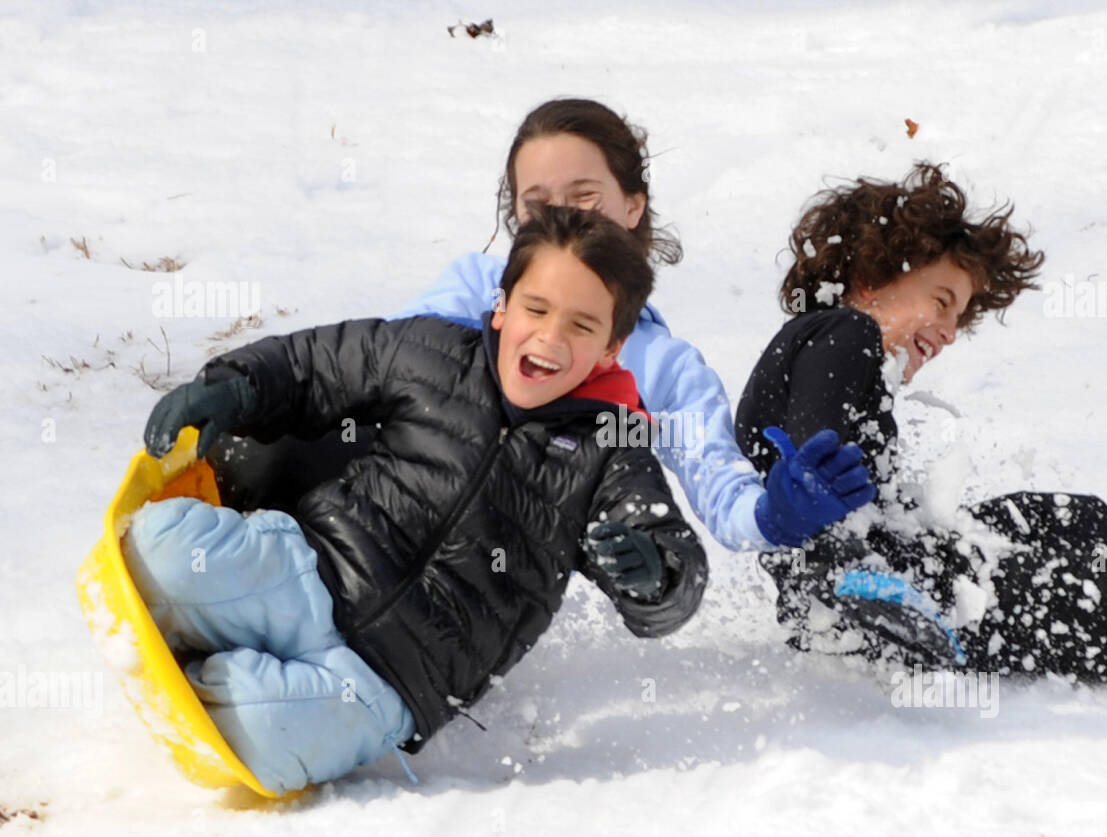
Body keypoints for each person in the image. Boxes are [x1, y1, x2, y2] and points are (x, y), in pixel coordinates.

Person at [122, 204, 712, 795]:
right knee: (157, 551)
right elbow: (317, 365)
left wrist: (654, 571)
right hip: (310, 569)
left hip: (393, 679)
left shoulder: (613, 446)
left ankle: (222, 660)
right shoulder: (432, 350)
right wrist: (234, 387)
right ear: (503, 305)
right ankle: (224, 638)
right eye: (536, 308)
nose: (551, 337)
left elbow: (666, 551)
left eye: (582, 327)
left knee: (261, 739)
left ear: (612, 348)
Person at [207, 97, 868, 553]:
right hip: (379, 501)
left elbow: (723, 496)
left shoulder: (662, 369)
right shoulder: (476, 288)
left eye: (585, 197)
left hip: (477, 568)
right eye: (536, 204)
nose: (566, 219)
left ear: (633, 205)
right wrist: (251, 389)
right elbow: (380, 368)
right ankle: (231, 543)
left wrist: (777, 514)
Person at [735, 162, 1107, 681]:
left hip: (909, 569)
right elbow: (815, 471)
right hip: (907, 597)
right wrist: (859, 577)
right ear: (872, 278)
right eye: (943, 300)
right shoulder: (843, 333)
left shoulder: (830, 345)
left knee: (1073, 521)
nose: (951, 332)